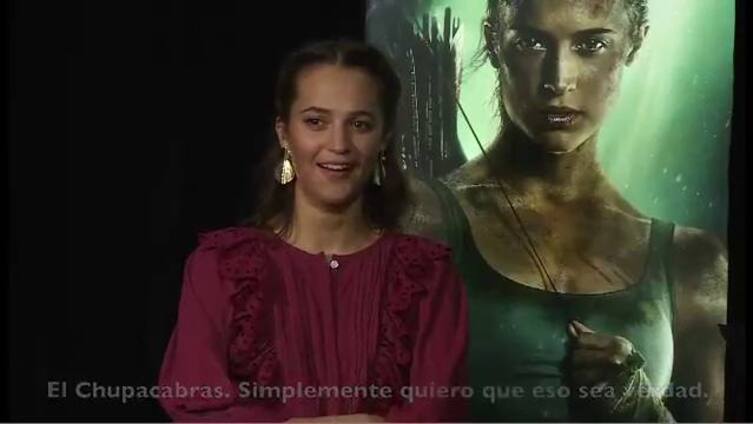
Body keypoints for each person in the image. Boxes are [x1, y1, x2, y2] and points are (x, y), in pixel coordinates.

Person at [403, 0, 727, 421]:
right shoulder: (418, 222)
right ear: (494, 41)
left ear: (634, 43)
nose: (558, 80)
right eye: (532, 42)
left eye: (591, 45)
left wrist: (642, 410)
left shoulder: (694, 263)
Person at [158, 40, 469, 422]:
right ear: (284, 133)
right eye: (316, 122)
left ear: (384, 138)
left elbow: (440, 411)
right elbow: (196, 405)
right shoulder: (219, 268)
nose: (338, 145)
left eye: (360, 124)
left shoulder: (429, 276)